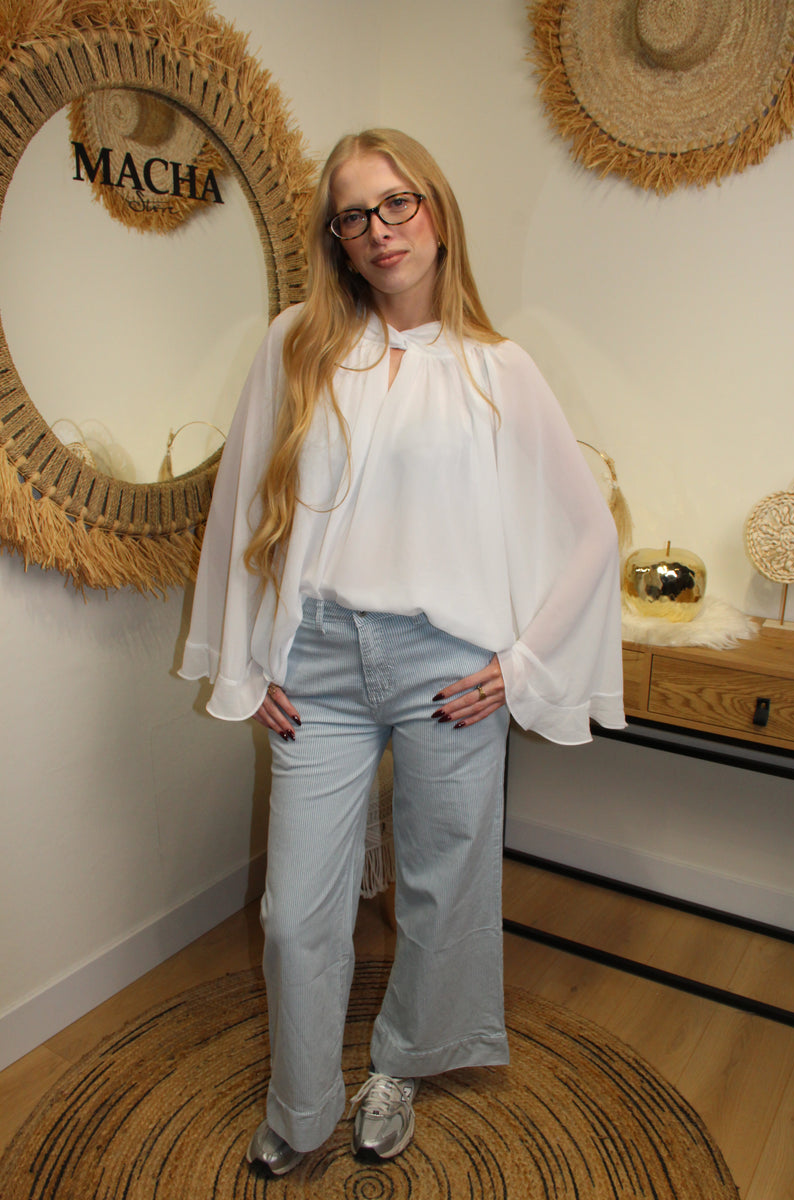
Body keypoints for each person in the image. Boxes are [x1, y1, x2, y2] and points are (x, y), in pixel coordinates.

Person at [179, 127, 625, 1178]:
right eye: (354, 214)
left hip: (446, 668)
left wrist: (519, 665)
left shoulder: (496, 370)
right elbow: (244, 509)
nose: (379, 230)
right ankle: (301, 1107)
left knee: (441, 887)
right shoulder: (295, 346)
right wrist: (247, 663)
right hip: (320, 667)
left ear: (435, 212)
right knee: (295, 913)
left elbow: (589, 531)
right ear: (334, 237)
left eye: (397, 204)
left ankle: (401, 1063)